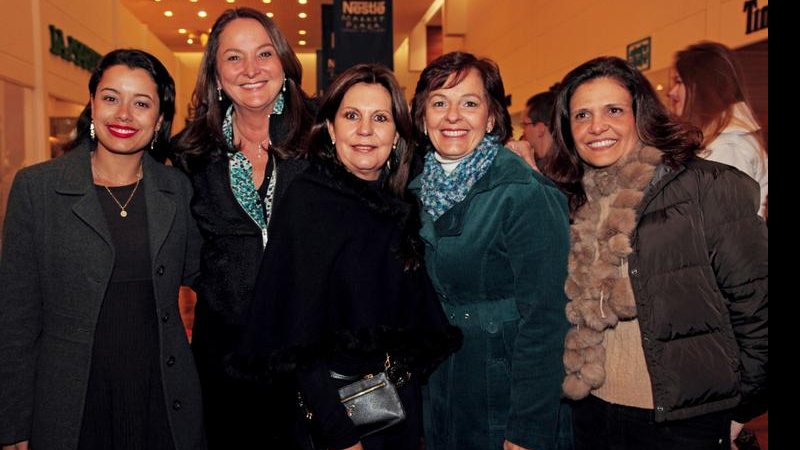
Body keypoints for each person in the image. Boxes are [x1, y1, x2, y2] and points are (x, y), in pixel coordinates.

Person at [233, 64, 461, 450]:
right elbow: (298, 337)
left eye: (381, 117)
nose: (366, 130)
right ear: (332, 129)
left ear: (397, 134)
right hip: (339, 415)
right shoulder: (309, 201)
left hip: (398, 407)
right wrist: (339, 433)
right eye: (352, 116)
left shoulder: (399, 204)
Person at [545, 56, 768, 449]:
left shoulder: (706, 187)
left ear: (640, 115)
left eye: (613, 110)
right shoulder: (571, 200)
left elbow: (757, 307)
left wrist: (738, 411)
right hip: (592, 412)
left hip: (682, 421)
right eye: (582, 115)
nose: (596, 126)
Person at [0, 49, 204, 450]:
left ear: (160, 119)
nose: (124, 114)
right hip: (71, 405)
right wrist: (13, 424)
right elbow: (15, 319)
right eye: (111, 98)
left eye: (141, 103)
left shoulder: (176, 190)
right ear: (92, 105)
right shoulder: (37, 189)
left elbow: (207, 274)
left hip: (160, 397)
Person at [409, 51, 573, 450]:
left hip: (506, 395)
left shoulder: (523, 193)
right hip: (442, 391)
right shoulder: (411, 191)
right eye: (439, 102)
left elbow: (549, 319)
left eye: (469, 103)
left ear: (493, 117)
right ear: (422, 116)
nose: (453, 116)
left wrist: (527, 431)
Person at [171, 7, 315, 448]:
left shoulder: (324, 139)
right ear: (216, 75)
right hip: (224, 363)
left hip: (313, 356)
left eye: (264, 53)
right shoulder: (190, 154)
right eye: (234, 58)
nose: (251, 70)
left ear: (285, 64)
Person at [668, 41, 768, 217]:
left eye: (679, 82)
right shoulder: (718, 140)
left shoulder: (729, 147)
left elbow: (724, 228)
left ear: (702, 88)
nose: (671, 92)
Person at [521, 86, 559, 167]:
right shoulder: (541, 163)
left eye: (525, 125)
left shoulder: (563, 169)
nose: (523, 132)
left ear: (540, 128)